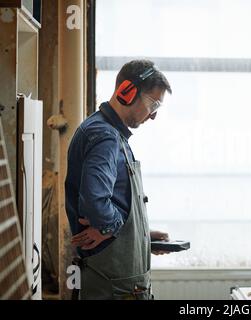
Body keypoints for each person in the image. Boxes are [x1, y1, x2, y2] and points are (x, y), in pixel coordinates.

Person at [65, 60, 172, 300]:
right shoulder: (105, 137)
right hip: (112, 284)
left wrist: (143, 235)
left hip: (117, 281)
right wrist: (110, 226)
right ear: (127, 92)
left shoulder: (111, 135)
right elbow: (96, 200)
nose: (153, 115)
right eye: (153, 103)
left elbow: (116, 205)